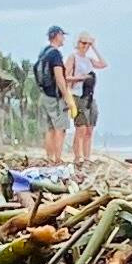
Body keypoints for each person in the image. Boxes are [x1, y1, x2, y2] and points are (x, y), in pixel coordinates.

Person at [29, 26, 73, 162]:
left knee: (50, 128)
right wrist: (66, 96)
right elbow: (59, 77)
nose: (64, 38)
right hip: (55, 96)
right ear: (57, 35)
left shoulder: (44, 53)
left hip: (45, 95)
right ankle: (58, 159)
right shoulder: (55, 54)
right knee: (60, 128)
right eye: (62, 35)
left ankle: (49, 157)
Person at [69, 33, 106, 164]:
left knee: (90, 128)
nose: (85, 46)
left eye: (87, 44)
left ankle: (87, 157)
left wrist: (94, 47)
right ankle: (77, 157)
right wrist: (81, 77)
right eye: (82, 43)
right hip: (78, 95)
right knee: (81, 128)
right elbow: (66, 76)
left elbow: (103, 64)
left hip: (90, 96)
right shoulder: (73, 58)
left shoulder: (89, 60)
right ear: (77, 43)